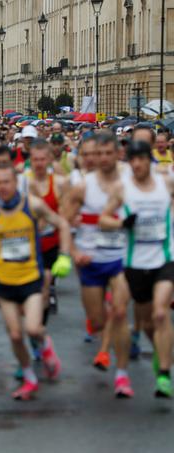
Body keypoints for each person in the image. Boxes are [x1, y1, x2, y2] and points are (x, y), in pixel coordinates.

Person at [0, 164, 71, 400]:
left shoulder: (33, 205)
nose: (2, 187)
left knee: (32, 328)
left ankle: (45, 345)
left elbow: (62, 224)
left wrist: (63, 255)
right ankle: (29, 377)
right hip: (4, 280)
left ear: (16, 182)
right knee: (16, 335)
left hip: (31, 277)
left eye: (6, 182)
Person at [99, 140, 174, 398]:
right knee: (145, 320)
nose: (138, 164)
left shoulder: (166, 183)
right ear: (129, 162)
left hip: (164, 258)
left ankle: (164, 374)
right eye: (133, 160)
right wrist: (121, 223)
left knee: (162, 313)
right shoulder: (123, 188)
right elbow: (103, 219)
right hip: (135, 262)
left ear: (149, 160)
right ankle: (148, 358)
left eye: (142, 159)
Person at [63, 132, 133, 397]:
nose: (101, 159)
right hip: (91, 257)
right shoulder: (83, 186)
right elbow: (64, 220)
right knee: (99, 319)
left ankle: (122, 374)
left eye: (107, 153)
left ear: (118, 154)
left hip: (122, 257)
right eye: (96, 154)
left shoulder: (130, 182)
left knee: (120, 311)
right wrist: (72, 251)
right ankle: (106, 342)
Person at [26, 140, 67, 315]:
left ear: (49, 160)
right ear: (31, 160)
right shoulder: (22, 181)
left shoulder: (59, 183)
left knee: (45, 280)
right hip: (29, 242)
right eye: (36, 159)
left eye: (43, 159)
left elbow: (65, 215)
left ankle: (39, 326)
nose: (39, 163)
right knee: (33, 288)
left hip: (52, 240)